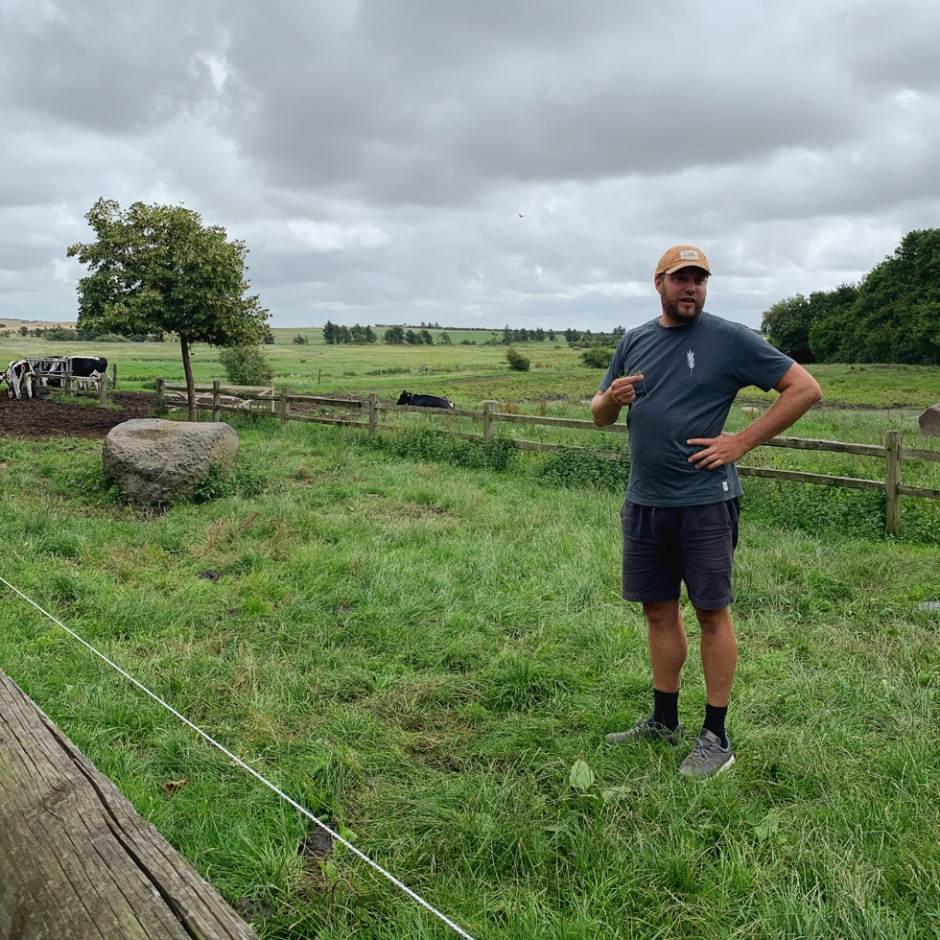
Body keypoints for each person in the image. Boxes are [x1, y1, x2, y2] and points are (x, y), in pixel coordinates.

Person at [591, 245, 822, 777]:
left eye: (699, 279)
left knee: (711, 613)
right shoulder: (636, 340)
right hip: (645, 500)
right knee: (657, 610)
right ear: (659, 284)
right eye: (681, 279)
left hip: (705, 504)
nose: (691, 287)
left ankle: (715, 737)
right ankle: (664, 720)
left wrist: (740, 441)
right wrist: (612, 399)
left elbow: (804, 389)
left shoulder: (729, 338)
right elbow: (601, 413)